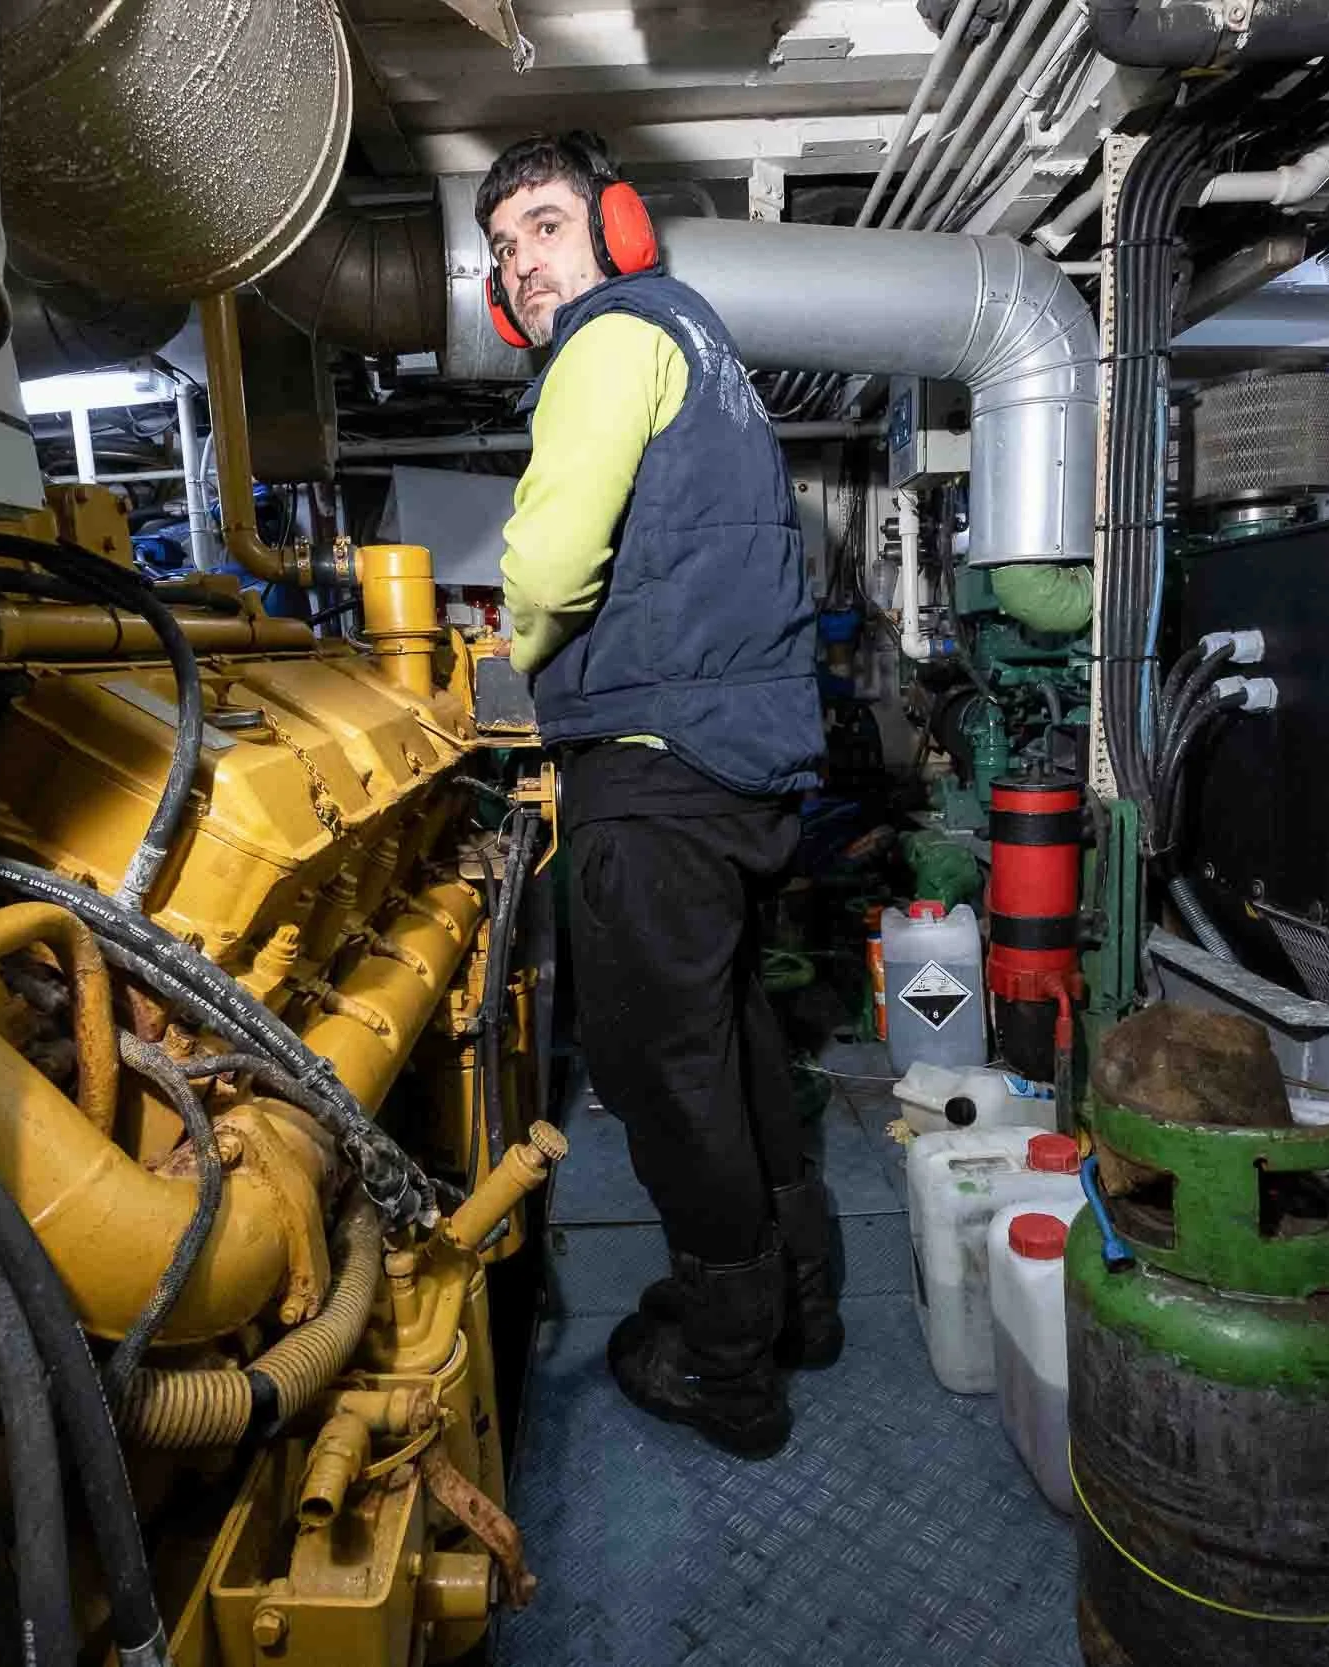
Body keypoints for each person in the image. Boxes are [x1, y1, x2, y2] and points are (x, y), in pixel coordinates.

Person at [478, 132, 836, 1458]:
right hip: (738, 775)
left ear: (619, 228)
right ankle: (805, 1305)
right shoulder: (704, 350)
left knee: (666, 1081)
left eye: (544, 226)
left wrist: (499, 662)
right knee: (737, 1047)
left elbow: (556, 565)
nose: (521, 263)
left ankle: (730, 1370)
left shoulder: (613, 342)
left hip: (653, 772)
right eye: (503, 250)